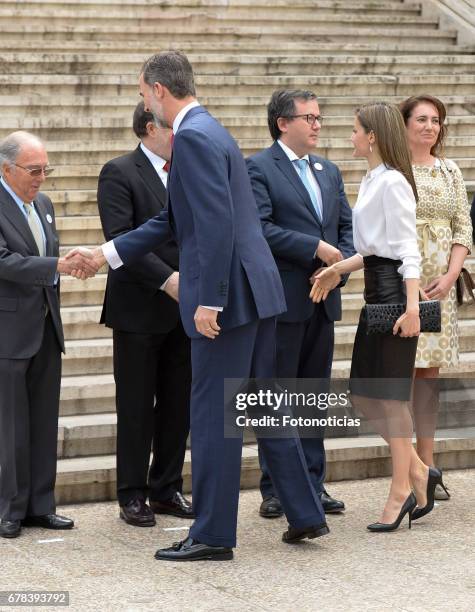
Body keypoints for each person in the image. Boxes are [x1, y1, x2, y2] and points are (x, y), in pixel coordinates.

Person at [69, 51, 328, 561]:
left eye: (144, 93)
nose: (144, 102)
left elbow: (213, 225)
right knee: (265, 406)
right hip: (257, 291)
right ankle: (305, 512)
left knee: (213, 414)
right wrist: (105, 254)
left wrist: (209, 299)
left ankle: (212, 534)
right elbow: (174, 219)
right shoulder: (210, 129)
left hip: (228, 298)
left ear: (159, 91)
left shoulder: (192, 136)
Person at [311, 102, 440, 531]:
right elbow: (372, 250)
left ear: (371, 137)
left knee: (388, 398)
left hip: (394, 300)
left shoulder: (394, 184)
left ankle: (402, 487)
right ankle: (419, 470)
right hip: (375, 298)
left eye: (353, 130)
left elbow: (406, 250)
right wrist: (337, 268)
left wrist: (411, 309)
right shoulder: (372, 180)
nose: (349, 137)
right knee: (364, 395)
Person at [246, 89, 354, 519]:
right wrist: (315, 248)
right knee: (279, 396)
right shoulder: (258, 168)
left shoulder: (328, 171)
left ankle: (312, 483)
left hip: (323, 301)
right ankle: (275, 488)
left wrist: (338, 270)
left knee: (312, 398)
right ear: (282, 123)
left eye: (319, 117)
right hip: (283, 303)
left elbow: (347, 229)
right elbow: (259, 228)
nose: (316, 125)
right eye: (308, 117)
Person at [98, 102, 193, 527]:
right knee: (136, 405)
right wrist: (168, 280)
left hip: (186, 309)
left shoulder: (187, 172)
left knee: (178, 403)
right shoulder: (119, 172)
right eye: (173, 128)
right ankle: (132, 493)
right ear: (150, 127)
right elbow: (121, 240)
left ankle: (167, 487)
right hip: (138, 308)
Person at [0, 131, 97, 538]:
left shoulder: (44, 204)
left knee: (42, 421)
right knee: (10, 426)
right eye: (34, 170)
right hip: (9, 333)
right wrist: (56, 265)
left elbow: (47, 256)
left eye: (45, 169)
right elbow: (4, 261)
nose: (41, 178)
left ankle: (41, 504)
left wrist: (72, 262)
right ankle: (9, 508)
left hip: (45, 327)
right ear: (7, 169)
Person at [399, 95, 472, 502]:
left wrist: (450, 274)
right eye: (422, 119)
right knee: (402, 373)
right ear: (405, 124)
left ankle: (428, 465)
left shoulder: (450, 169)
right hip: (406, 283)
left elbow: (463, 224)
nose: (430, 126)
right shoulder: (394, 170)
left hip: (441, 285)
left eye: (436, 120)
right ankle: (407, 467)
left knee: (428, 378)